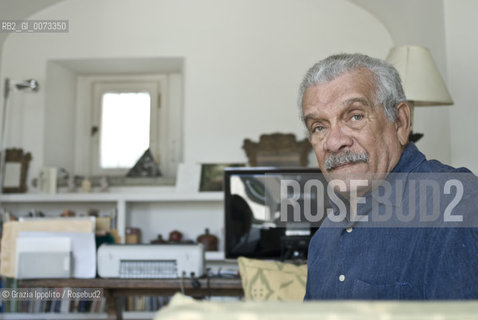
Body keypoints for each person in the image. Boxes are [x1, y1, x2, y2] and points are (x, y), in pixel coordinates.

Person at [299, 53, 478, 300]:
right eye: (319, 127)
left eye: (355, 116)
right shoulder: (324, 236)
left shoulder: (456, 202)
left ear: (400, 122)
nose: (334, 142)